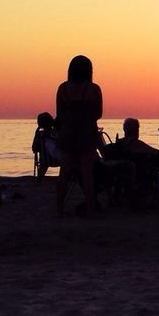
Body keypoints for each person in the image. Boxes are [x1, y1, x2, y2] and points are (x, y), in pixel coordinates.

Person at [56, 55, 103, 218]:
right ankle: (91, 210)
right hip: (87, 134)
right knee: (87, 173)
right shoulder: (94, 89)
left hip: (67, 134)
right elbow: (98, 114)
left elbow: (59, 114)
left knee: (64, 173)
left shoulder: (63, 89)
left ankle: (59, 209)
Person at [31, 112, 60, 179]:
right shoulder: (57, 133)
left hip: (45, 161)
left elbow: (34, 149)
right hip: (60, 160)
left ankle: (39, 177)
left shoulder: (39, 135)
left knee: (43, 163)